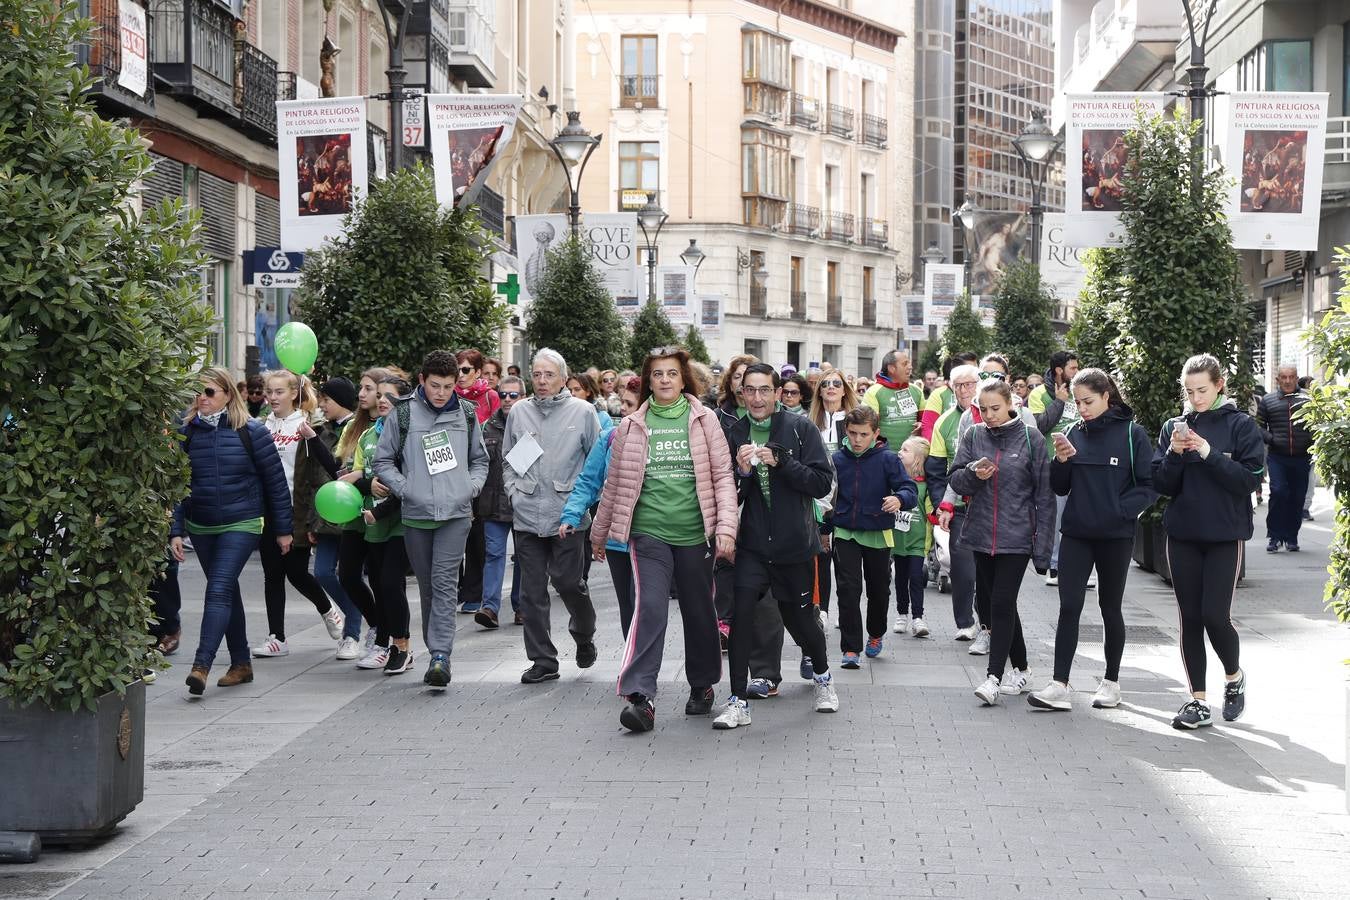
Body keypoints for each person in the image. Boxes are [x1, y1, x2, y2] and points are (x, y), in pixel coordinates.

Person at [593, 348, 738, 733]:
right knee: (650, 607)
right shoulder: (631, 426)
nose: (665, 380)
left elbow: (723, 476)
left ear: (683, 378)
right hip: (648, 532)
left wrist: (726, 527)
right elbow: (616, 485)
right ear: (649, 380)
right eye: (657, 374)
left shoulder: (704, 420)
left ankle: (703, 683)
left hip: (694, 533)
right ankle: (641, 697)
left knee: (698, 610)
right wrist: (599, 532)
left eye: (672, 373)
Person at [714, 364, 837, 730]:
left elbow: (820, 483)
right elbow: (730, 491)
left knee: (800, 619)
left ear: (778, 392)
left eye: (764, 390)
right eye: (749, 390)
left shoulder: (799, 429)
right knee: (741, 615)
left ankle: (823, 678)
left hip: (794, 544)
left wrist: (783, 462)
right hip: (751, 544)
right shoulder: (733, 431)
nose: (756, 398)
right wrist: (743, 473)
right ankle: (737, 701)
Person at [1028, 369, 1156, 711]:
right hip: (1077, 534)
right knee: (1069, 606)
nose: (1082, 408)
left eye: (1088, 401)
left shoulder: (1132, 433)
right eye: (1078, 402)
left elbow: (1148, 485)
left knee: (1109, 607)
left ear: (1106, 396)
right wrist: (1062, 461)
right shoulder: (1072, 433)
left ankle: (1111, 682)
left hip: (1115, 535)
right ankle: (1059, 684)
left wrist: (1120, 510)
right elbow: (1060, 487)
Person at [1151, 353, 1265, 730]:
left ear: (1219, 385)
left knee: (1216, 616)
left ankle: (1233, 677)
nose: (1196, 397)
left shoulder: (1241, 425)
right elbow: (1163, 485)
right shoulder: (1174, 426)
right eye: (1189, 391)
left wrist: (1207, 452)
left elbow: (1247, 481)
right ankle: (1197, 700)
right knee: (1190, 618)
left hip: (1223, 535)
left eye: (1202, 390)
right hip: (1182, 534)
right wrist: (1175, 454)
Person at [174, 368, 293, 696]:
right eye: (197, 393)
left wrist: (284, 530)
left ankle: (201, 665)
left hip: (242, 522)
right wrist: (175, 529)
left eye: (209, 392)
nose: (201, 399)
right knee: (225, 591)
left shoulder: (251, 431)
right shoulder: (187, 433)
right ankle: (241, 663)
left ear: (228, 394)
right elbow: (176, 486)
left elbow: (276, 484)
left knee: (219, 588)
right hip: (202, 525)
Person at [373, 350, 489, 688]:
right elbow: (383, 461)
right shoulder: (404, 414)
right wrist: (406, 488)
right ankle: (435, 649)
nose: (441, 393)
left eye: (449, 386)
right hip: (417, 514)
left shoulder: (466, 414)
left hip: (456, 514)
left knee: (443, 583)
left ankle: (440, 656)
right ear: (422, 381)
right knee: (427, 586)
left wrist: (471, 487)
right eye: (435, 385)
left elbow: (480, 460)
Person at [949, 378, 1054, 705]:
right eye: (983, 409)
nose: (989, 415)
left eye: (995, 408)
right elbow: (955, 478)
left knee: (1001, 601)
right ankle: (1021, 668)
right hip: (981, 532)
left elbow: (1045, 497)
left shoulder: (1030, 437)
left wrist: (1044, 551)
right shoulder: (973, 435)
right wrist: (972, 474)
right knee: (995, 602)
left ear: (1011, 403)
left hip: (1017, 535)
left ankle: (993, 677)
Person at [503, 348, 600, 685]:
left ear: (563, 377)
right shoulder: (519, 412)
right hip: (527, 514)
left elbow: (596, 463)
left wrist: (584, 504)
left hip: (567, 517)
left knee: (569, 583)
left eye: (549, 375)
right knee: (531, 593)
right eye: (537, 374)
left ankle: (584, 633)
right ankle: (543, 661)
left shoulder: (583, 411)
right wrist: (514, 492)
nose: (542, 381)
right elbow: (509, 460)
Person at [251, 371, 345, 659]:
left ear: (293, 394)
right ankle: (277, 637)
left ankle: (329, 609)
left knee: (295, 572)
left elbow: (323, 471)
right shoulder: (260, 426)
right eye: (270, 391)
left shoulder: (306, 424)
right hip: (267, 509)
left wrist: (312, 518)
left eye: (279, 392)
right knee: (272, 575)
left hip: (296, 508)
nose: (273, 397)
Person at [828, 406, 918, 669]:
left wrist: (899, 498)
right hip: (845, 531)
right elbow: (825, 496)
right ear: (846, 431)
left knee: (878, 591)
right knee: (848, 590)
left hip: (878, 533)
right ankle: (851, 649)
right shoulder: (837, 459)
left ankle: (876, 633)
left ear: (876, 434)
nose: (857, 440)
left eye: (864, 434)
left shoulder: (888, 459)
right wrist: (824, 528)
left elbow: (909, 489)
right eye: (853, 433)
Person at [563, 376, 643, 637]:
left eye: (630, 404)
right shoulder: (610, 437)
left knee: (647, 603)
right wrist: (572, 515)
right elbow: (588, 481)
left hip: (653, 536)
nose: (623, 409)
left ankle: (643, 661)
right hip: (618, 538)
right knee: (629, 604)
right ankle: (632, 664)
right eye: (622, 402)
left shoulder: (662, 441)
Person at [350, 375, 415, 673]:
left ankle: (402, 647)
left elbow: (412, 483)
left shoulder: (411, 434)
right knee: (379, 584)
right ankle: (385, 643)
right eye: (380, 395)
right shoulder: (366, 436)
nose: (382, 400)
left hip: (402, 520)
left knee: (391, 581)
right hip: (373, 522)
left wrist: (384, 506)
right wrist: (369, 485)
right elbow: (357, 478)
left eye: (390, 396)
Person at [335, 367, 394, 658]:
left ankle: (386, 637)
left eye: (369, 389)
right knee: (345, 574)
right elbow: (341, 468)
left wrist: (364, 479)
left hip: (380, 511)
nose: (362, 394)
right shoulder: (355, 428)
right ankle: (377, 624)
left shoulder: (390, 426)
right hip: (353, 510)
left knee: (381, 578)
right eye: (363, 388)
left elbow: (378, 475)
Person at [928, 365, 983, 645]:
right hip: (957, 503)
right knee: (962, 568)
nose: (965, 390)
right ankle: (965, 622)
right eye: (958, 385)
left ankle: (985, 621)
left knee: (984, 569)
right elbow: (936, 469)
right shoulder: (945, 421)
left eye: (969, 384)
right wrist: (942, 505)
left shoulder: (991, 414)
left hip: (987, 505)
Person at [313, 377, 365, 658]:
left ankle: (352, 634)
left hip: (350, 513)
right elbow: (314, 478)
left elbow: (338, 470)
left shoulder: (357, 429)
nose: (322, 405)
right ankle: (354, 611)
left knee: (349, 575)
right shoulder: (321, 431)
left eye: (327, 400)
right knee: (321, 572)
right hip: (326, 516)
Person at [472, 374, 523, 629]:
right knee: (493, 554)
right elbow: (477, 463)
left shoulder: (531, 425)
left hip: (523, 502)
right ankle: (489, 608)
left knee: (525, 556)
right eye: (503, 394)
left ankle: (522, 606)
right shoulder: (487, 427)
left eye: (513, 395)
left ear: (523, 397)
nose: (507, 399)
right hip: (492, 503)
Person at [1029, 350, 1081, 585]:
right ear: (1059, 370)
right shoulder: (1039, 394)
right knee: (1056, 516)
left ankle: (1077, 566)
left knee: (1078, 514)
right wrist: (1059, 402)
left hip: (1079, 463)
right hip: (1052, 464)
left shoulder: (1079, 390)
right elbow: (1039, 426)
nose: (1076, 372)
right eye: (1072, 368)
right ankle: (1054, 565)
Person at [1256, 364, 1313, 552]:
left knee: (1297, 498)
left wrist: (1311, 443)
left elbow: (1317, 424)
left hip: (1302, 458)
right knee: (1279, 492)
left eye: (1292, 377)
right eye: (1284, 377)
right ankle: (1274, 536)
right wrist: (1273, 439)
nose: (1288, 381)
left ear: (1297, 378)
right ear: (1277, 379)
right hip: (1278, 457)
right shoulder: (1267, 400)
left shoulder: (1308, 399)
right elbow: (1258, 426)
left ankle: (1291, 537)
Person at [893, 436, 934, 637]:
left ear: (918, 458)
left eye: (905, 450)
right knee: (900, 578)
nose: (900, 452)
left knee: (916, 578)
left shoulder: (925, 486)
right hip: (898, 540)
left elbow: (929, 513)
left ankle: (918, 617)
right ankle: (902, 614)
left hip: (918, 542)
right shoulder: (895, 482)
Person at [863, 350, 925, 451]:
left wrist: (922, 424)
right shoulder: (873, 392)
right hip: (884, 457)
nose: (910, 367)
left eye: (909, 363)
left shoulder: (917, 391)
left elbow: (926, 421)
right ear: (891, 368)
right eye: (905, 364)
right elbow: (866, 427)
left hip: (912, 458)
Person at [920, 351, 979, 440]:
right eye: (970, 369)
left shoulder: (983, 392)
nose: (975, 373)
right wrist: (937, 449)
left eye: (976, 369)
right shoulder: (939, 394)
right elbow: (928, 427)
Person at [714, 354, 757, 430]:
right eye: (737, 377)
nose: (742, 382)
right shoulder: (718, 416)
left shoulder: (771, 412)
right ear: (730, 385)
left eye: (746, 376)